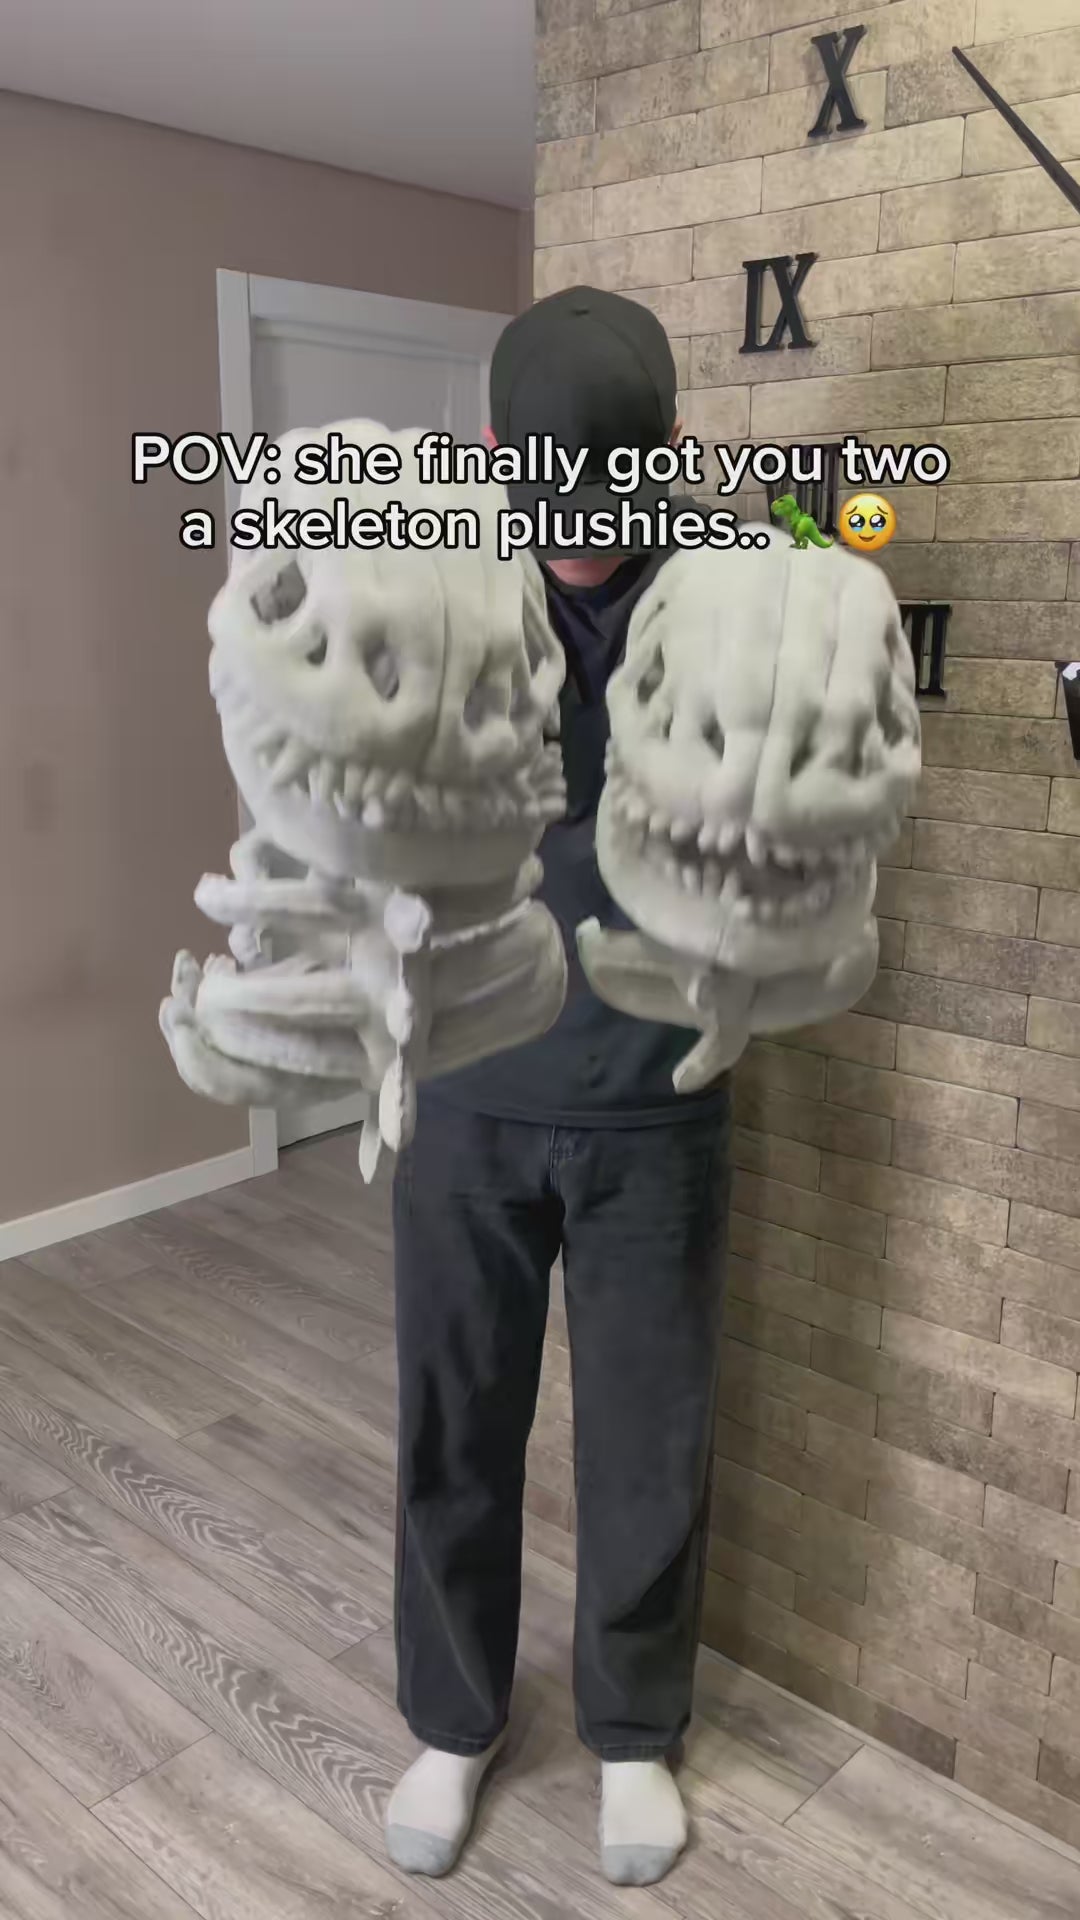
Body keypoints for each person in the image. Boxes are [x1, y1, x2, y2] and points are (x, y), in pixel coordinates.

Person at [384, 287, 732, 1888]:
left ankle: (635, 1733)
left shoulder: (736, 605)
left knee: (649, 1437)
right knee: (456, 1416)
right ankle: (454, 1719)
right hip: (466, 1084)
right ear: (490, 453)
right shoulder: (435, 596)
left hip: (658, 1099)